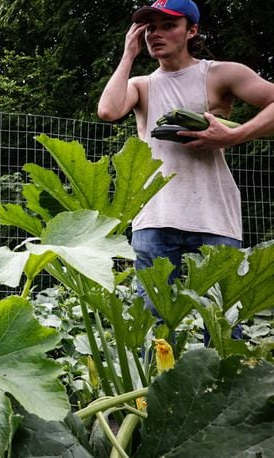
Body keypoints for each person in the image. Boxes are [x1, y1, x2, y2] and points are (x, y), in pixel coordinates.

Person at [97, 0, 274, 323]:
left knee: (220, 325)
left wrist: (236, 135)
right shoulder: (141, 86)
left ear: (191, 30)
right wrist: (128, 55)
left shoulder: (221, 74)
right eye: (150, 28)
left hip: (214, 218)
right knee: (153, 325)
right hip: (154, 218)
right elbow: (108, 111)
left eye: (168, 26)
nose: (156, 34)